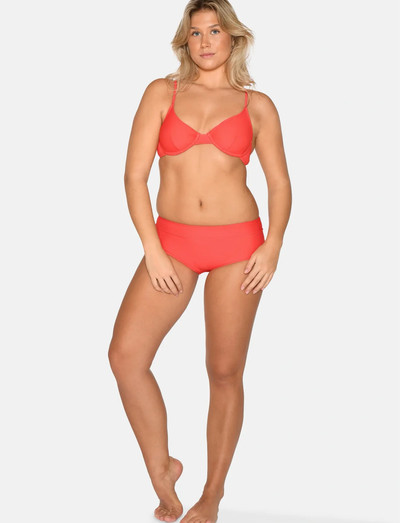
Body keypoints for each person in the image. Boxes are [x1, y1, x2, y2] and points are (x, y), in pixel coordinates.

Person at [108, 0, 292, 521]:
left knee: (224, 370)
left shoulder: (257, 106)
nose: (206, 41)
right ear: (184, 42)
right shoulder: (161, 93)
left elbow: (279, 184)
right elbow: (134, 177)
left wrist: (273, 245)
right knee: (125, 356)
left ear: (233, 37)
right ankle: (162, 469)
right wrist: (152, 249)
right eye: (195, 33)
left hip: (239, 247)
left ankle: (212, 494)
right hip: (172, 243)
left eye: (215, 31)